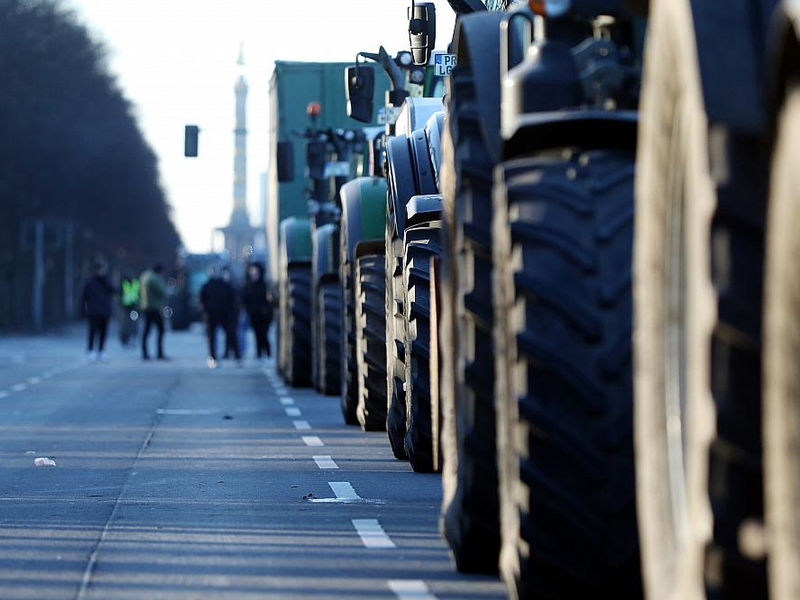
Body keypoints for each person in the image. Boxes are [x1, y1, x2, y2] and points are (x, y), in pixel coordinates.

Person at [200, 266, 240, 368]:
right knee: (211, 337)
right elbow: (201, 300)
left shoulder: (226, 286)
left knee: (231, 333)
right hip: (211, 315)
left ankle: (237, 356)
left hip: (225, 314)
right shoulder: (206, 286)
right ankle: (213, 357)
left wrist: (232, 313)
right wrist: (206, 310)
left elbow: (233, 300)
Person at [81, 262, 115, 361]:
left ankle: (101, 350)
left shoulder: (106, 281)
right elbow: (84, 297)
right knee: (92, 331)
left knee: (103, 332)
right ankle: (90, 350)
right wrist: (83, 310)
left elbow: (113, 290)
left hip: (105, 311)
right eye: (100, 269)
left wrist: (106, 281)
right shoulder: (90, 282)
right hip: (93, 311)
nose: (101, 272)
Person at [242, 263, 273, 359]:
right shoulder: (248, 286)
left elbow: (270, 300)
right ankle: (259, 353)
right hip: (253, 314)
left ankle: (267, 353)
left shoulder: (265, 285)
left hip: (265, 315)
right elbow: (245, 299)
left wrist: (266, 310)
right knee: (257, 334)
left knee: (264, 334)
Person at [140, 263, 168, 360]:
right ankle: (159, 353)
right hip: (154, 308)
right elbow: (162, 291)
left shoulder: (144, 276)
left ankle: (144, 353)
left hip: (145, 307)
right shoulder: (155, 278)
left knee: (146, 331)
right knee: (161, 330)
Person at [119, 274, 140, 347]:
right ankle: (125, 338)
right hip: (126, 307)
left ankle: (132, 337)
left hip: (134, 307)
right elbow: (120, 295)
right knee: (125, 324)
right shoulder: (124, 284)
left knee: (133, 323)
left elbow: (139, 294)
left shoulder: (136, 284)